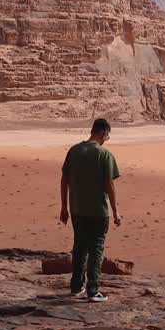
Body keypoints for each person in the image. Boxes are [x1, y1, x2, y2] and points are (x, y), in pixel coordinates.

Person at [59, 118, 121, 301]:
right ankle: (93, 290)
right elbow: (109, 184)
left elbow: (64, 179)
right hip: (98, 210)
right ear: (103, 133)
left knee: (79, 247)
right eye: (108, 135)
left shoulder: (74, 150)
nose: (107, 139)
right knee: (96, 248)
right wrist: (115, 211)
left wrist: (64, 207)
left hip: (77, 209)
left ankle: (76, 287)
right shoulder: (105, 155)